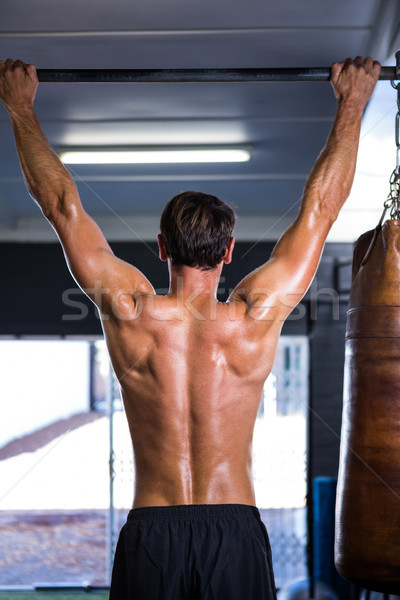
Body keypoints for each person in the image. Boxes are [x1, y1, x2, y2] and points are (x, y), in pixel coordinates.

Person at [0, 56, 380, 599]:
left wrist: (20, 109)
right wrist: (352, 104)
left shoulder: (132, 312)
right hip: (236, 531)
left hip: (151, 532)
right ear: (229, 251)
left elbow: (62, 206)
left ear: (160, 249)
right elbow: (321, 210)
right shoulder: (253, 319)